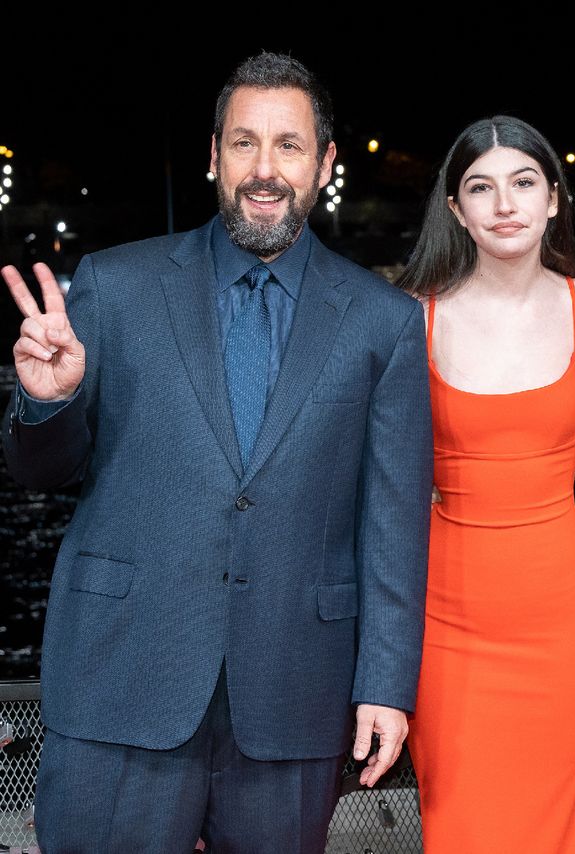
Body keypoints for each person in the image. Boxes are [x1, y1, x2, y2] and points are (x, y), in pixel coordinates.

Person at [1, 52, 431, 851]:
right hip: (120, 684)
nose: (264, 171)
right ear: (212, 155)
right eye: (243, 144)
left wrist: (386, 685)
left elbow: (396, 528)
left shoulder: (385, 323)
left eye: (289, 146)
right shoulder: (114, 286)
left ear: (325, 163)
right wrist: (48, 399)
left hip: (293, 698)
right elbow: (39, 472)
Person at [396, 116, 575, 853]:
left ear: (552, 197)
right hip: (447, 618)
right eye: (480, 188)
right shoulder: (415, 321)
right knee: (460, 823)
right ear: (456, 209)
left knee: (554, 822)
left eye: (523, 182)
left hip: (558, 616)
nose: (504, 204)